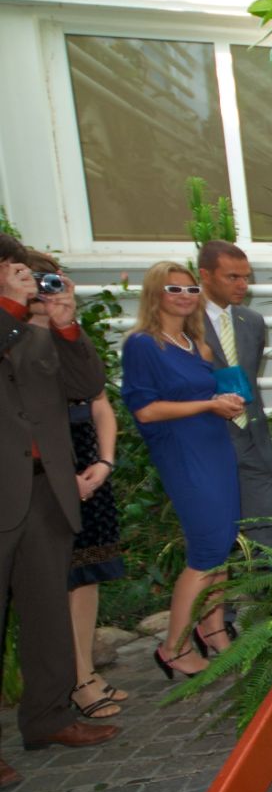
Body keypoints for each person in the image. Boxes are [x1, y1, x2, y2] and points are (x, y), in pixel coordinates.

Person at [0, 234, 119, 783]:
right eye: (8, 267)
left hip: (47, 489)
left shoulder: (37, 330)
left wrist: (67, 326)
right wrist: (11, 310)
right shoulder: (12, 324)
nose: (21, 277)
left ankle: (47, 717)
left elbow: (87, 385)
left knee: (46, 611)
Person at [121, 262, 243, 678]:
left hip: (215, 447)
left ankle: (214, 629)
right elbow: (145, 410)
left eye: (191, 290)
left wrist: (225, 402)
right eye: (174, 289)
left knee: (223, 542)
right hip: (182, 452)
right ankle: (172, 647)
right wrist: (209, 404)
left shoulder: (196, 345)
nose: (184, 296)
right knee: (207, 548)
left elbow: (209, 395)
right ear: (155, 293)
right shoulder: (143, 345)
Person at [24, 252, 126, 720]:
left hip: (87, 458)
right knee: (60, 580)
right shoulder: (15, 338)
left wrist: (104, 461)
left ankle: (85, 668)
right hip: (44, 467)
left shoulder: (70, 336)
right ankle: (76, 679)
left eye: (54, 280)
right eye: (36, 280)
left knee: (87, 574)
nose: (47, 289)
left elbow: (99, 400)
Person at [198, 239, 272, 555]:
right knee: (215, 531)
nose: (242, 285)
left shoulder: (253, 322)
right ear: (205, 275)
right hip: (209, 436)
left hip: (252, 435)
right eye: (232, 277)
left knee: (267, 525)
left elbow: (248, 374)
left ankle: (271, 585)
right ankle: (221, 588)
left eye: (246, 277)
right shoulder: (185, 321)